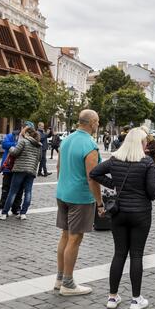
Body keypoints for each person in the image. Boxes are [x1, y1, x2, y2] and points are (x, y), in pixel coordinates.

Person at [90, 127, 155, 309]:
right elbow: (154, 193)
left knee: (119, 254)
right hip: (141, 213)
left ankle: (112, 297)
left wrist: (113, 184)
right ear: (141, 143)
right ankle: (136, 299)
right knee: (136, 255)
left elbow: (94, 173)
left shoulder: (115, 160)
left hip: (119, 213)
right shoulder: (147, 163)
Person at [54, 110, 104, 296]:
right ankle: (68, 283)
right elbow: (92, 178)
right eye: (97, 122)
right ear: (91, 123)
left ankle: (59, 279)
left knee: (65, 236)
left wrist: (63, 186)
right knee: (75, 239)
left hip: (63, 193)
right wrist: (99, 202)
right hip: (80, 197)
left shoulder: (66, 140)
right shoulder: (90, 145)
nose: (98, 125)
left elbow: (59, 167)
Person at [0, 126, 42, 220]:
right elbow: (39, 158)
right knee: (28, 192)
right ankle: (23, 213)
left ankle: (4, 213)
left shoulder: (23, 141)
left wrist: (11, 148)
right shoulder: (38, 145)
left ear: (27, 134)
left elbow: (15, 152)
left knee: (13, 191)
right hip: (31, 171)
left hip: (20, 169)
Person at [0, 125, 25, 217]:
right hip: (8, 167)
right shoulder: (11, 135)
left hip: (20, 167)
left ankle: (16, 208)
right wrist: (17, 144)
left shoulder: (28, 139)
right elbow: (4, 144)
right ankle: (2, 208)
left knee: (19, 189)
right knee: (6, 188)